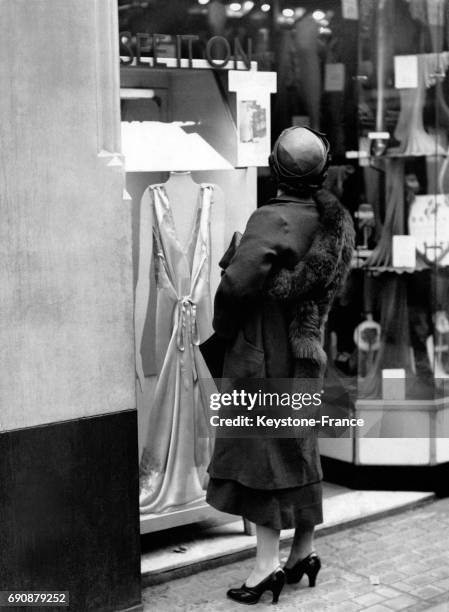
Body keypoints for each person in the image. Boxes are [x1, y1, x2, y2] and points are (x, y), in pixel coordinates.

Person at [206, 126, 355, 605]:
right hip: (305, 349)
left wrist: (223, 333)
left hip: (263, 350)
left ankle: (266, 567)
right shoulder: (334, 221)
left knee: (260, 454)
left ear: (277, 168)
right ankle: (303, 553)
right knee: (299, 445)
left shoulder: (271, 218)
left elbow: (235, 288)